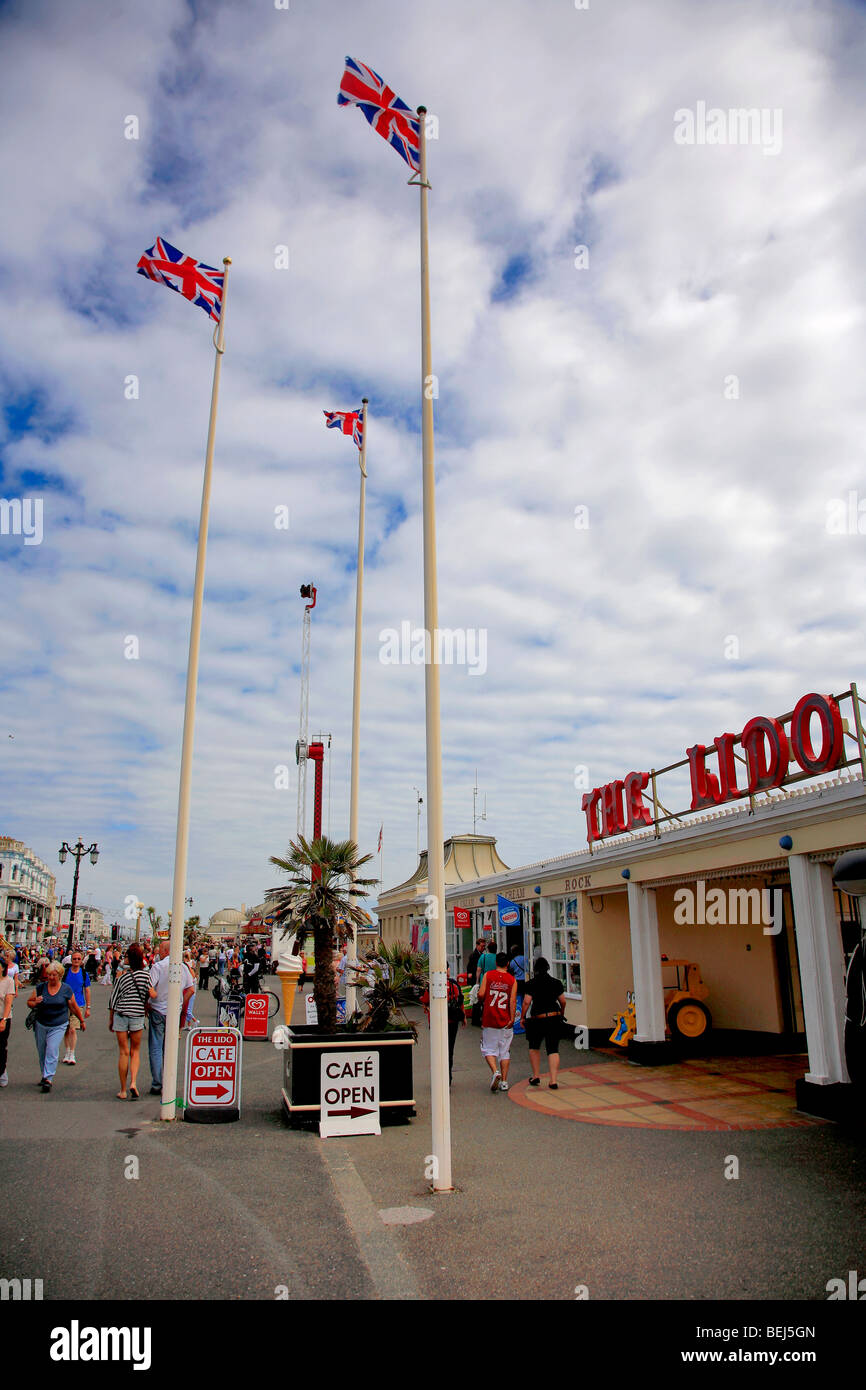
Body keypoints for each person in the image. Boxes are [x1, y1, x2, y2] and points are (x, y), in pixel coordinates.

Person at [27, 961, 86, 1092]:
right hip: (41, 1023)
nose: (51, 978)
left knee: (52, 1049)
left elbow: (74, 1006)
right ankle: (44, 1074)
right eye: (49, 975)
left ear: (60, 975)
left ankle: (48, 1078)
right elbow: (29, 1002)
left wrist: (81, 1020)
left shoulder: (66, 989)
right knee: (42, 1050)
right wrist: (34, 1002)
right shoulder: (41, 988)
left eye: (54, 975)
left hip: (59, 1024)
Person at [108, 942, 155, 1100]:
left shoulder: (123, 977)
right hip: (137, 1015)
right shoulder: (146, 976)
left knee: (123, 1052)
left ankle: (122, 1089)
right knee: (135, 1052)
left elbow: (113, 1001)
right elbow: (151, 994)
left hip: (121, 1014)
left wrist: (110, 1020)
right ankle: (133, 1082)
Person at [147, 941, 195, 1094]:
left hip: (157, 1009)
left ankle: (157, 1083)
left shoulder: (158, 967)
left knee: (156, 1047)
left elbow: (148, 986)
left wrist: (149, 1002)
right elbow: (191, 989)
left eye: (160, 950)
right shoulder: (182, 967)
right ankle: (169, 1079)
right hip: (174, 1011)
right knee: (170, 1046)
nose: (158, 953)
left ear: (166, 951)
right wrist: (180, 1003)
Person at [522, 957, 567, 1089]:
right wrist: (562, 1013)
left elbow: (526, 1002)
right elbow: (563, 1001)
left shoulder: (531, 983)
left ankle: (536, 1076)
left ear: (535, 969)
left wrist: (523, 1017)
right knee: (553, 1049)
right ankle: (553, 1080)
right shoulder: (556, 983)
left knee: (534, 1046)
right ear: (548, 968)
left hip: (537, 1019)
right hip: (554, 1018)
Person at [477, 951, 517, 1092]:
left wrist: (480, 997)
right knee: (504, 1051)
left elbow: (481, 994)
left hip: (490, 1018)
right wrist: (512, 1018)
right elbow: (512, 1001)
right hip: (505, 1019)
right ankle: (505, 1082)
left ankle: (495, 1071)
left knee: (488, 1048)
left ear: (496, 963)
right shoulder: (512, 980)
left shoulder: (488, 975)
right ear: (507, 964)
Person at [62, 950, 91, 1065]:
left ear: (81, 961)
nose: (76, 961)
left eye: (79, 959)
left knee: (73, 1029)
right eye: (74, 959)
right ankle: (67, 1051)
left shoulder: (84, 974)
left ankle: (72, 1053)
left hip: (78, 1004)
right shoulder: (65, 973)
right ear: (71, 960)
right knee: (66, 1029)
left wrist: (88, 1007)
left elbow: (87, 990)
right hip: (64, 1003)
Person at [0, 954, 14, 1087]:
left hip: (3, 1017)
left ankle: (2, 1071)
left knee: (1, 1046)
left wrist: (4, 1019)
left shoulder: (8, 981)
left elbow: (8, 1002)